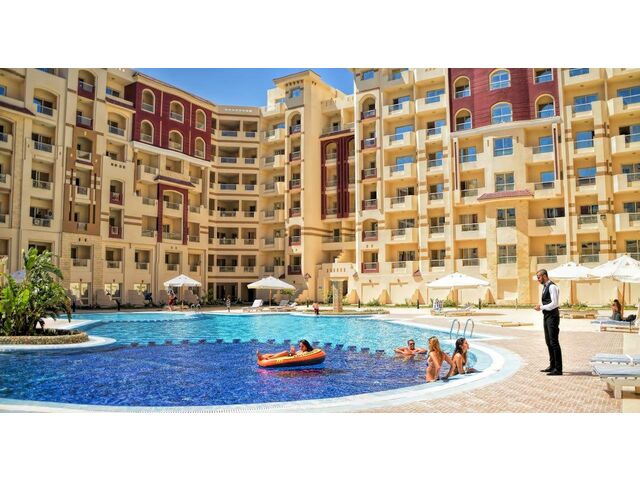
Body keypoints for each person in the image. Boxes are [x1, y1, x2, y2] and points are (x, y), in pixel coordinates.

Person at [535, 268, 563, 376]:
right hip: (547, 316)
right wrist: (542, 307)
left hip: (553, 317)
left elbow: (554, 304)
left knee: (554, 342)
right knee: (548, 341)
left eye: (539, 277)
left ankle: (558, 369)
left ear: (544, 276)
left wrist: (541, 307)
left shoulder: (552, 287)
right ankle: (552, 366)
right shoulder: (545, 287)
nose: (538, 279)